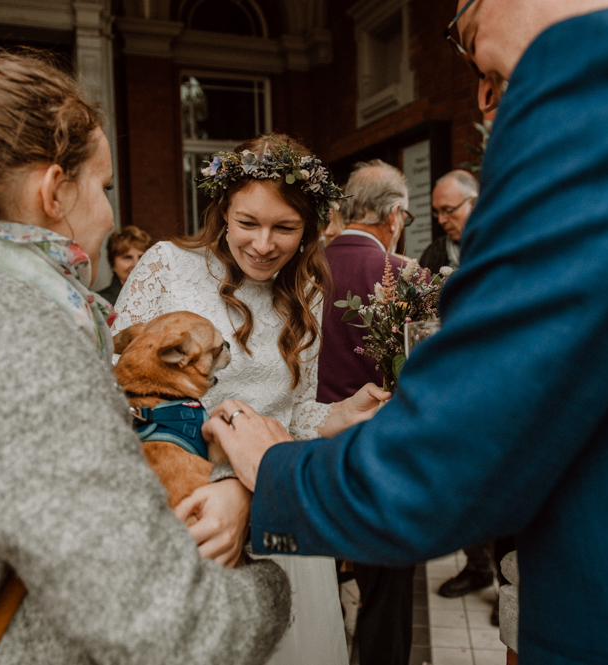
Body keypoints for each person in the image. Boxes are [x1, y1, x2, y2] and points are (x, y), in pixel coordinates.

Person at [203, 1, 608, 663]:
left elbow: (454, 455)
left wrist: (273, 471)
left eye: (465, 34)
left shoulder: (602, 71)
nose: (484, 96)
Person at [0, 20, 290, 665]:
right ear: (54, 189)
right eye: (104, 188)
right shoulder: (11, 342)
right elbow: (171, 629)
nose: (110, 214)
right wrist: (264, 582)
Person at [113, 133, 389, 665]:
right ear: (221, 214)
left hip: (274, 502)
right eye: (248, 224)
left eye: (284, 228)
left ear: (309, 229)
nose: (264, 244)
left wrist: (341, 412)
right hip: (185, 509)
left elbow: (292, 413)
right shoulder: (166, 264)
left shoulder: (306, 290)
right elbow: (115, 388)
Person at [316, 159, 415, 665]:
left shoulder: (306, 265)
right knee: (386, 591)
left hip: (311, 445)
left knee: (317, 582)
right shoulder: (401, 275)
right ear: (395, 215)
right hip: (379, 453)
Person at [419, 169, 477, 275]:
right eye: (437, 212)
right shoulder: (432, 255)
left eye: (448, 210)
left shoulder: (498, 245)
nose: (441, 220)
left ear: (473, 203)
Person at [98, 225, 152, 304]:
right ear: (113, 264)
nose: (136, 265)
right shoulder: (100, 302)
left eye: (141, 257)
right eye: (127, 257)